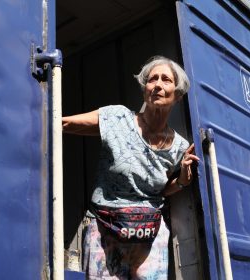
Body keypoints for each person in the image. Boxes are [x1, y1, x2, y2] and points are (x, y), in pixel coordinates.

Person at [62, 56, 199, 279]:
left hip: (148, 236)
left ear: (178, 94)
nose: (157, 85)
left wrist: (182, 179)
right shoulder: (118, 118)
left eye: (166, 80)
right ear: (145, 89)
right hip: (106, 230)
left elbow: (163, 190)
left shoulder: (180, 147)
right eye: (152, 79)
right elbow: (65, 124)